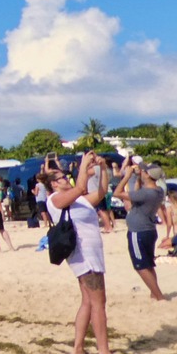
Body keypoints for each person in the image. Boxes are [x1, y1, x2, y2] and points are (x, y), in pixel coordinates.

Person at [41, 152, 111, 354]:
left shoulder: (77, 200)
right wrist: (83, 166)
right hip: (84, 254)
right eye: (63, 178)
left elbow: (101, 192)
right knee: (99, 303)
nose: (66, 179)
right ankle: (103, 350)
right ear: (54, 184)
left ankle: (78, 347)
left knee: (88, 302)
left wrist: (102, 168)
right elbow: (80, 187)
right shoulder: (55, 199)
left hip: (91, 253)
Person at [114, 162, 168, 301]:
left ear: (148, 175)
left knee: (140, 266)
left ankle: (159, 295)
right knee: (148, 264)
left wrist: (126, 177)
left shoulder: (146, 193)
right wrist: (138, 178)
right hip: (149, 230)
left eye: (144, 172)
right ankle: (154, 293)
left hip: (138, 231)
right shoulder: (158, 191)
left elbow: (117, 193)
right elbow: (137, 195)